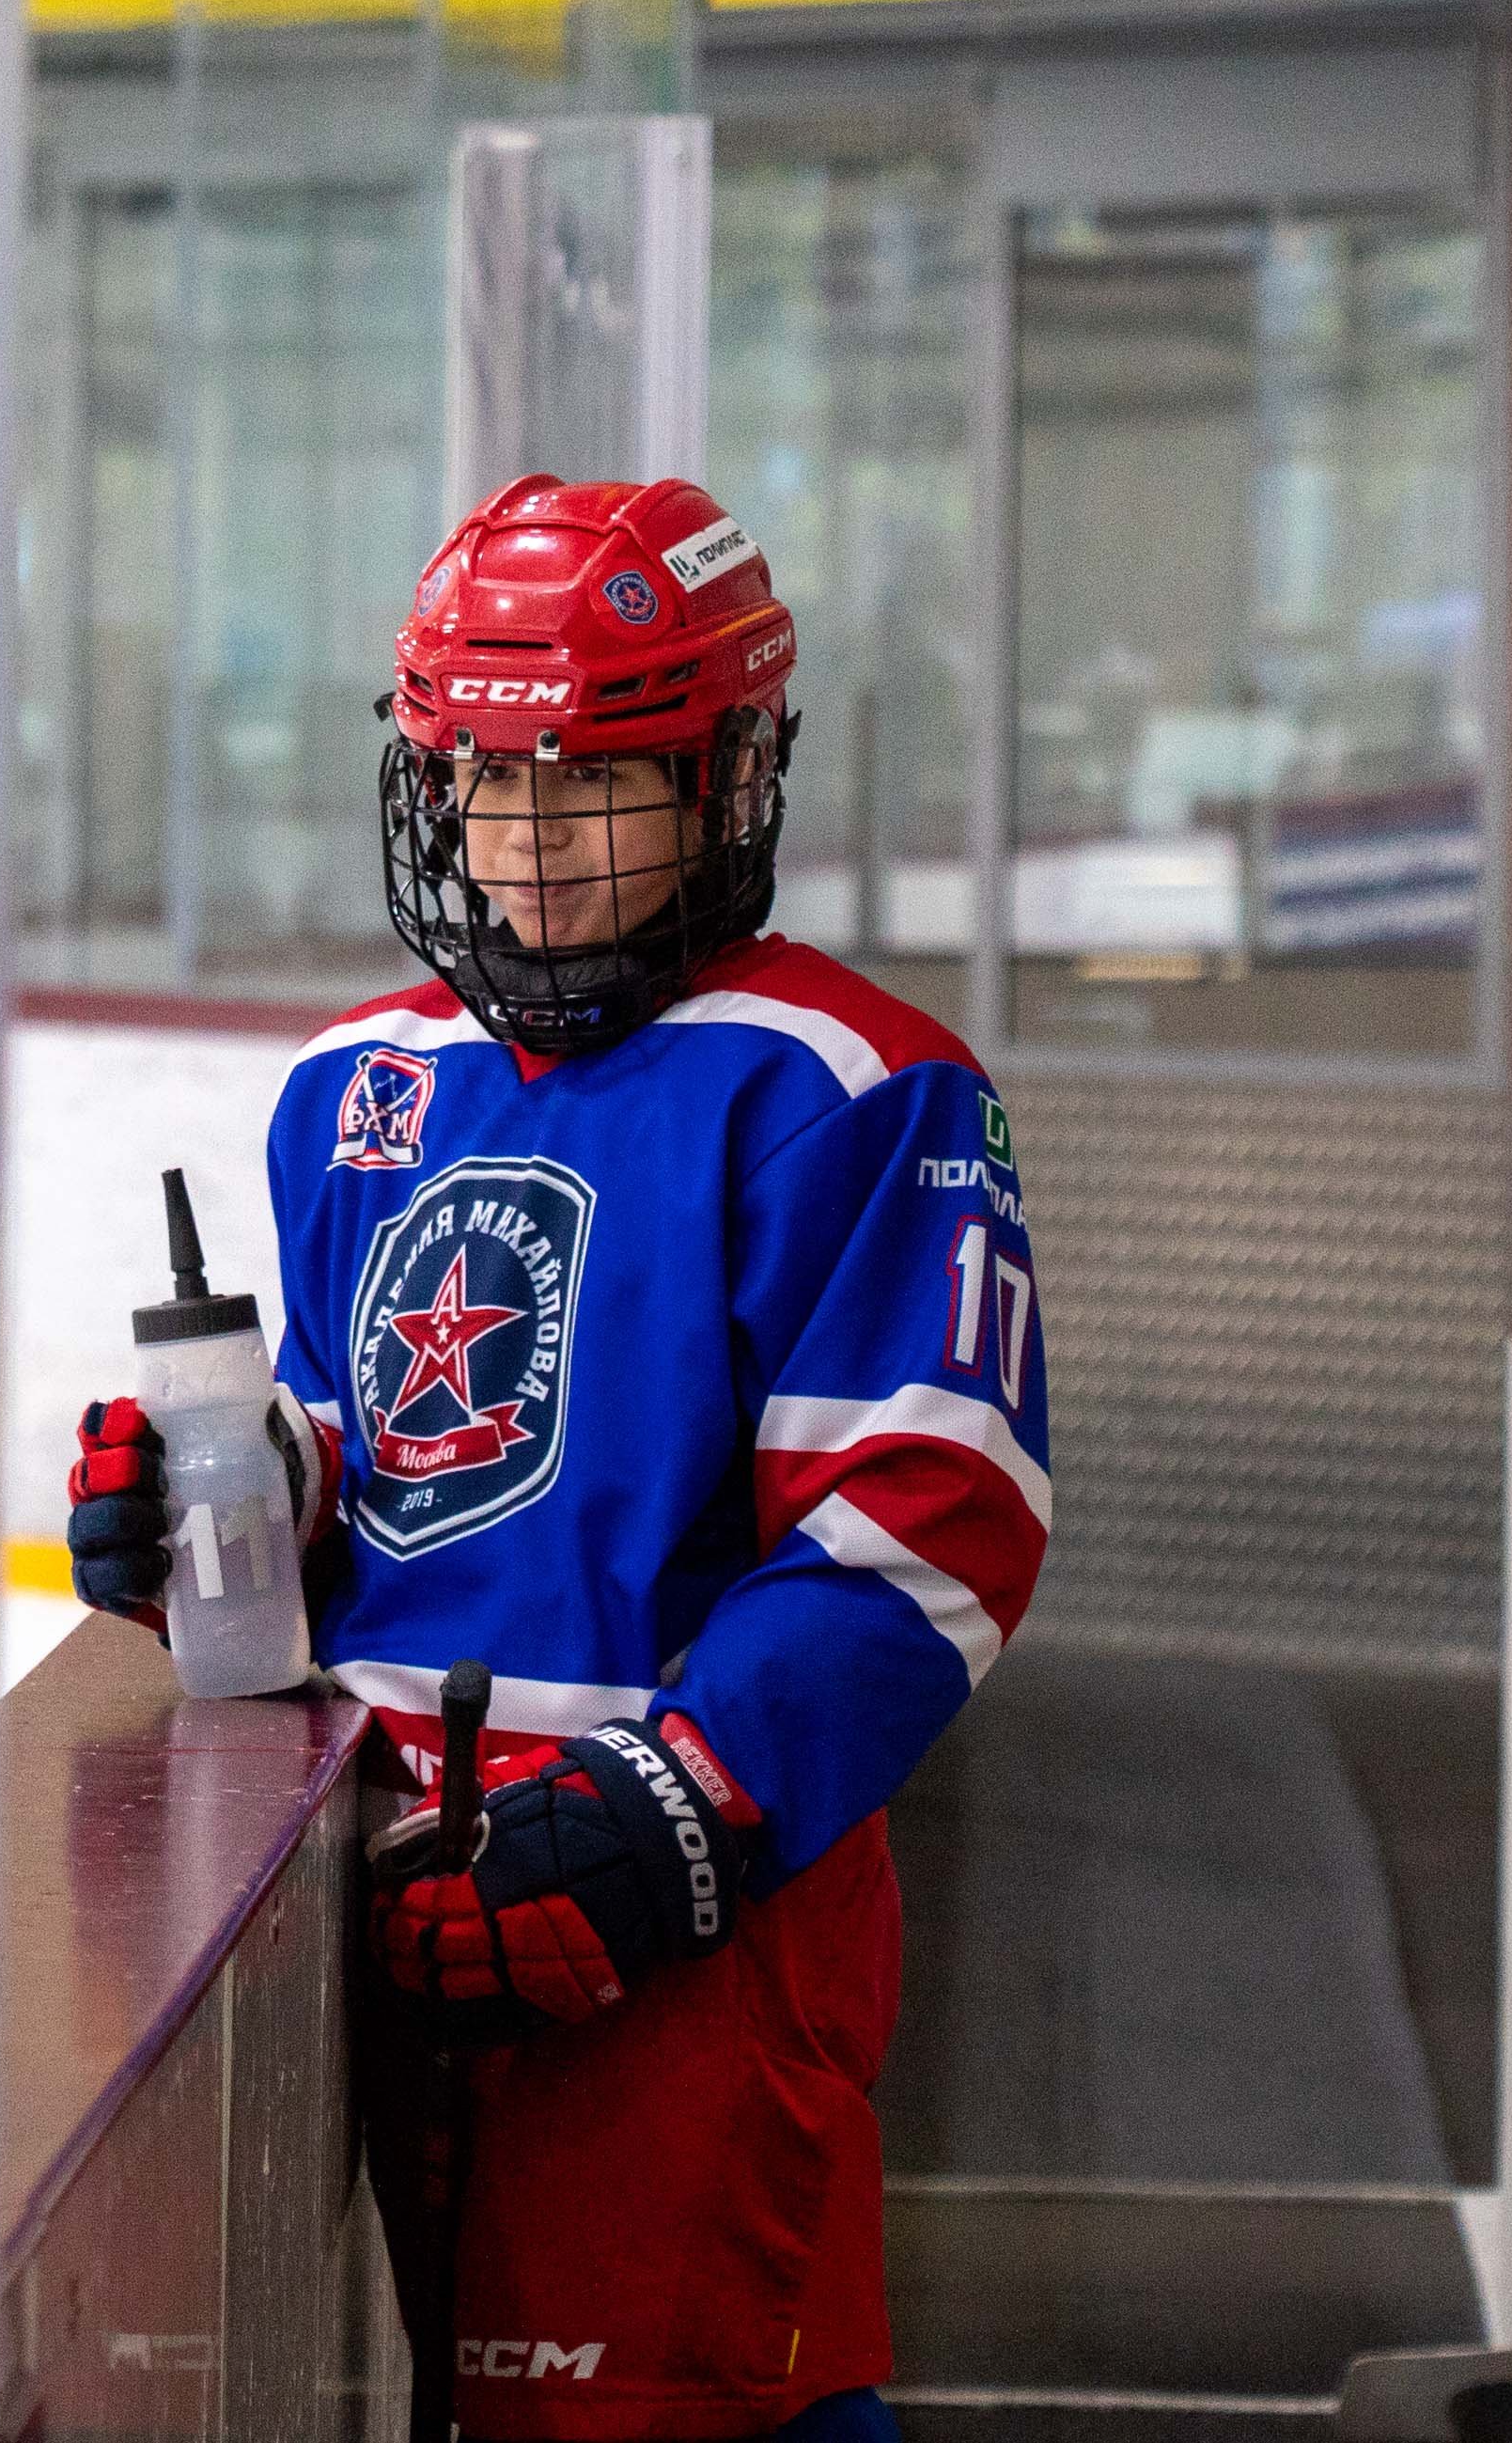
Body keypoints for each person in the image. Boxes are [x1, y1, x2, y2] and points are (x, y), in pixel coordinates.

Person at [61, 477, 1051, 2443]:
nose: (524, 843)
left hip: (678, 1941)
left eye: (589, 784)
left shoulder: (853, 1085)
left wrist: (674, 1813)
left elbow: (923, 1527)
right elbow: (395, 1441)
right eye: (481, 784)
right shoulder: (354, 1087)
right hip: (375, 1903)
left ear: (728, 774)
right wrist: (217, 1493)